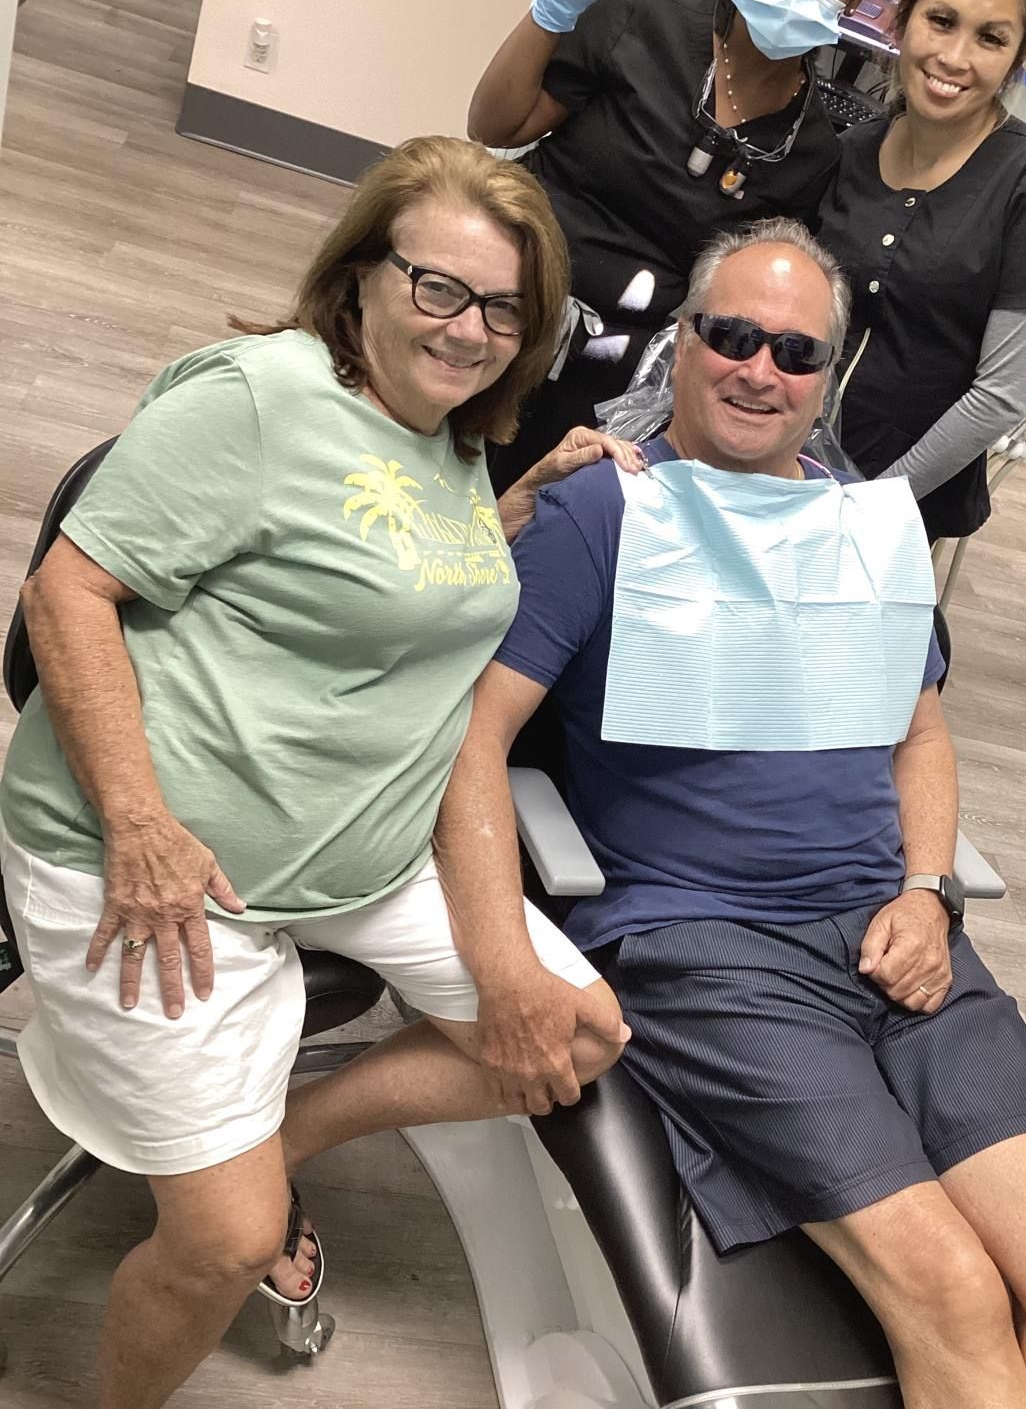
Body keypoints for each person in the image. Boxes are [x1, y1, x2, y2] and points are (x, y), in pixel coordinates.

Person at [436, 220, 1026, 1409]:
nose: (758, 369)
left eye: (795, 351)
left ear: (828, 377)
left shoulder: (867, 529)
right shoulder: (602, 519)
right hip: (708, 949)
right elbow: (469, 739)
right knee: (944, 1281)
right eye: (730, 336)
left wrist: (929, 894)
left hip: (894, 937)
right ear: (680, 347)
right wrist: (501, 964)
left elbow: (921, 733)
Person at [0, 136, 639, 1409]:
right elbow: (69, 587)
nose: (467, 331)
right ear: (359, 279)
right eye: (436, 287)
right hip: (165, 864)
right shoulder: (257, 399)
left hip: (361, 855)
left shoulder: (451, 437)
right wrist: (137, 822)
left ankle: (284, 1138)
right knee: (228, 1244)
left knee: (578, 1038)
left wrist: (513, 507)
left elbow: (385, 559)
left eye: (505, 308)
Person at [468, 0, 890, 490]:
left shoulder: (813, 153)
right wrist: (551, 13)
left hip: (620, 387)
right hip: (509, 306)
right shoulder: (643, 17)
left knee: (534, 526)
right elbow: (495, 126)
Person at [815, 0, 1026, 542]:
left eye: (990, 38)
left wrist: (869, 508)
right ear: (904, 16)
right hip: (791, 467)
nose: (955, 58)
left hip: (903, 503)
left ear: (1016, 58)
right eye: (941, 21)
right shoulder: (853, 150)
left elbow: (1000, 395)